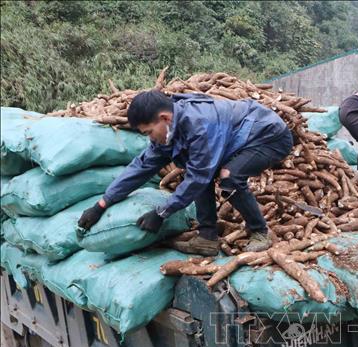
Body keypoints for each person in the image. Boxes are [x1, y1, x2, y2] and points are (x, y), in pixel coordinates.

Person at [77, 90, 293, 255]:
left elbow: (199, 177)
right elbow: (140, 168)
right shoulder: (167, 132)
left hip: (268, 136)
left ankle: (260, 233)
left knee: (228, 176)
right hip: (236, 138)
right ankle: (207, 237)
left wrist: (161, 213)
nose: (150, 138)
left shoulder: (200, 125)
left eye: (149, 132)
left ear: (165, 118)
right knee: (196, 169)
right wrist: (102, 204)